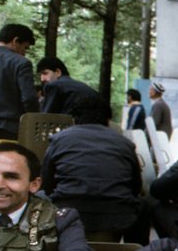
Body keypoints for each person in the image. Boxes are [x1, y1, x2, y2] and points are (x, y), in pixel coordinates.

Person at [40, 97, 145, 242]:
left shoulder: (58, 140)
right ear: (108, 120)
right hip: (118, 219)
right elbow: (136, 188)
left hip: (66, 215)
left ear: (74, 119)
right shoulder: (125, 144)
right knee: (144, 205)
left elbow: (46, 184)